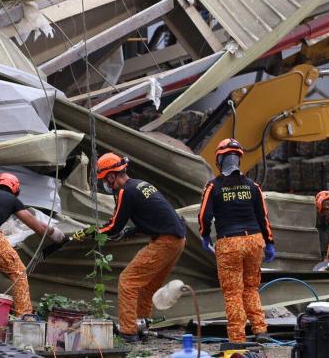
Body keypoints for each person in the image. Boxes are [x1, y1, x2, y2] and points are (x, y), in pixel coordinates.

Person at [97, 152, 187, 343]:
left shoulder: (125, 191)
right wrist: (129, 233)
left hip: (165, 241)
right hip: (177, 240)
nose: (106, 184)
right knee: (146, 286)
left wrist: (95, 232)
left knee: (127, 281)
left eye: (106, 179)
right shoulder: (140, 184)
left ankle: (129, 333)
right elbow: (153, 216)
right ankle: (142, 327)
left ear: (112, 175)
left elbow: (114, 225)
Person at [198, 139, 275, 343]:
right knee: (251, 288)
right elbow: (263, 217)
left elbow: (204, 216)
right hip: (254, 241)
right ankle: (260, 330)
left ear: (219, 159)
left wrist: (205, 236)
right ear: (239, 159)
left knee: (233, 292)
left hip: (229, 243)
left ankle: (237, 338)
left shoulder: (213, 186)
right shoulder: (253, 186)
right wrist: (270, 242)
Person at [0, 172, 66, 316]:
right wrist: (57, 235)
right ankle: (24, 317)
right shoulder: (11, 199)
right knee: (19, 273)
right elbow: (38, 227)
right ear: (16, 190)